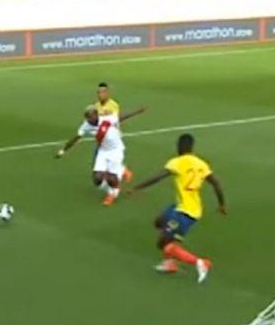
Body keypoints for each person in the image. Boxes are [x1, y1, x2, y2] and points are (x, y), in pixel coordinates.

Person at [126, 134, 226, 284]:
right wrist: (221, 204)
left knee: (164, 243)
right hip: (186, 207)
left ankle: (199, 262)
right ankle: (170, 260)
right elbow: (216, 184)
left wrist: (137, 188)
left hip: (186, 212)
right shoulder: (201, 164)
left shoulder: (178, 162)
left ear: (180, 146)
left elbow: (158, 176)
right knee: (159, 222)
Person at [56, 105, 146, 206]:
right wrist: (63, 150)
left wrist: (137, 111)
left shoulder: (107, 119)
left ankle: (113, 193)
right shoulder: (86, 125)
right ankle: (121, 172)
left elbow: (123, 116)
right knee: (97, 179)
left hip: (116, 150)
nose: (89, 119)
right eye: (87, 117)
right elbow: (76, 138)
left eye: (90, 116)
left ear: (96, 114)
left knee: (111, 178)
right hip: (102, 151)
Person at [93, 82, 133, 182]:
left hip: (112, 137)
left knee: (107, 162)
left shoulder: (113, 105)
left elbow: (116, 120)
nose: (100, 94)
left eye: (103, 92)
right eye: (99, 92)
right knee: (101, 160)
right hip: (102, 136)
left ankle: (114, 187)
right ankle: (124, 171)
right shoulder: (96, 106)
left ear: (107, 93)